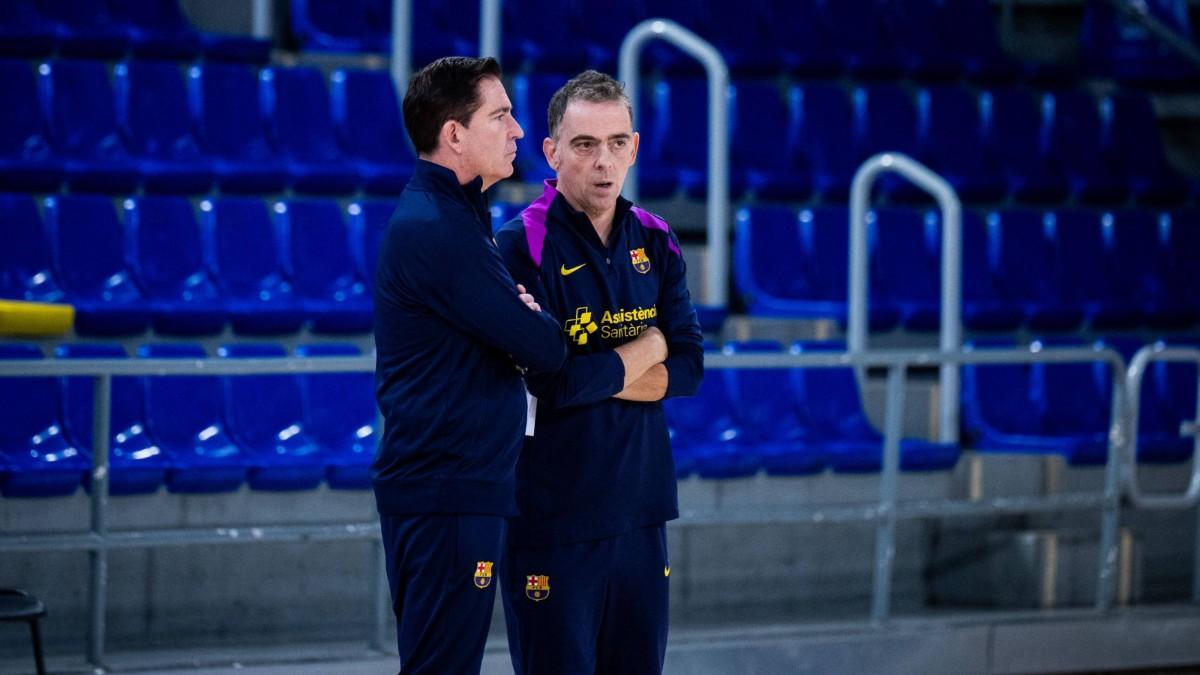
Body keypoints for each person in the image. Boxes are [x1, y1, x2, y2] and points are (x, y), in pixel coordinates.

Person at [495, 70, 704, 674]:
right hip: (552, 520)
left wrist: (598, 370)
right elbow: (552, 384)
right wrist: (653, 341)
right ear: (553, 152)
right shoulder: (519, 247)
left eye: (616, 143)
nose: (602, 161)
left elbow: (689, 368)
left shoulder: (657, 240)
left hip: (641, 512)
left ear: (634, 148)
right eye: (584, 145)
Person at [372, 56, 567, 674]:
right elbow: (546, 348)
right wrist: (529, 319)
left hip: (452, 490)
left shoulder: (455, 216)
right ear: (454, 134)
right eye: (501, 114)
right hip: (447, 493)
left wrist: (520, 316)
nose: (516, 129)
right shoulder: (440, 229)